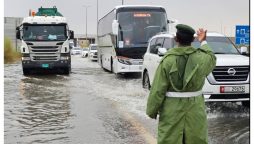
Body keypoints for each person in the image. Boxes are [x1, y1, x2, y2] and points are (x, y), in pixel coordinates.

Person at [146, 24, 216, 144]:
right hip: (195, 109)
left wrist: (152, 110)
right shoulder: (202, 58)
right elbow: (211, 57)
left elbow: (158, 89)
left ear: (176, 39)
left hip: (171, 110)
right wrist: (203, 41)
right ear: (193, 40)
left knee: (169, 139)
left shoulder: (167, 60)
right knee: (196, 139)